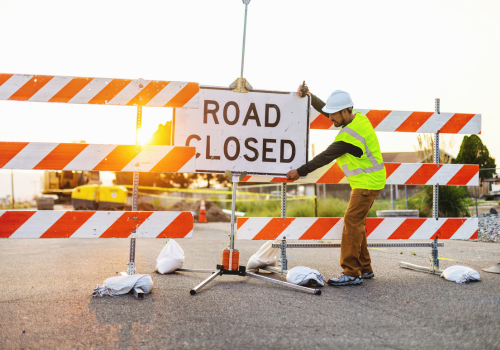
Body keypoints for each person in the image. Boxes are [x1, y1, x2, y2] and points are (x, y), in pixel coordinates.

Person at [286, 87, 386, 286]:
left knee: (351, 221)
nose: (330, 117)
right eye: (330, 113)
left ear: (345, 111)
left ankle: (351, 272)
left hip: (367, 184)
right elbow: (327, 109)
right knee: (357, 223)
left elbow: (324, 157)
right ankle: (364, 268)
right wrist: (310, 96)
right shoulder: (359, 119)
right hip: (369, 181)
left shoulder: (349, 137)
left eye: (334, 114)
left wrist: (299, 171)